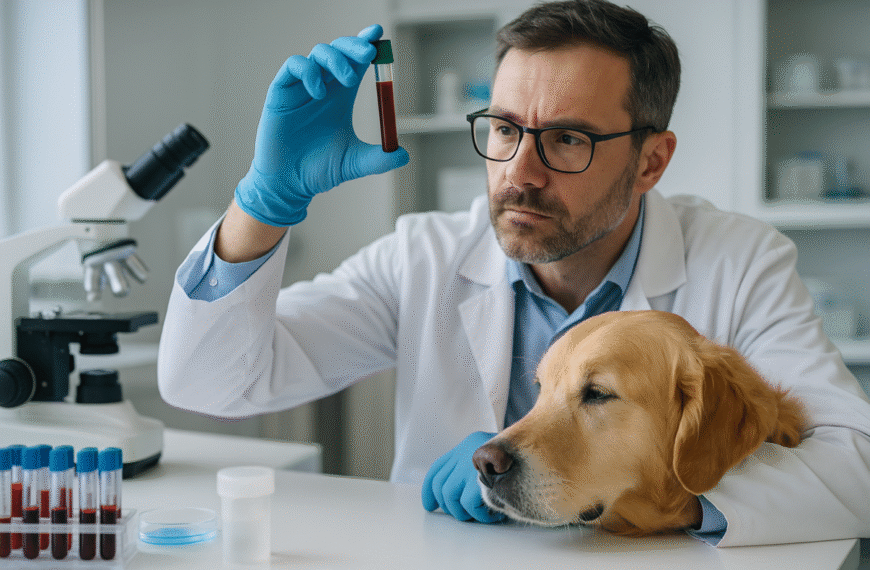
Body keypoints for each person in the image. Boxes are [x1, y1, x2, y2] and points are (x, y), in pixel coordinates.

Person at [158, 0, 870, 547]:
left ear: (650, 161)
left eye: (567, 138)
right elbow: (207, 384)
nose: (519, 173)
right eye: (504, 129)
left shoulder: (738, 261)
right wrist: (265, 203)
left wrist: (648, 500)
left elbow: (857, 468)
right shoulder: (422, 257)